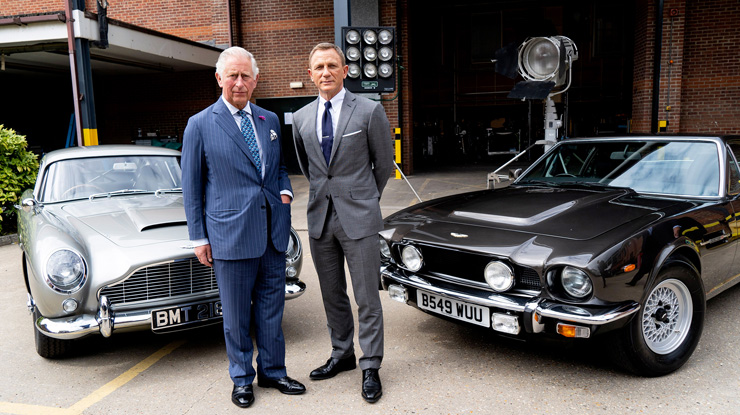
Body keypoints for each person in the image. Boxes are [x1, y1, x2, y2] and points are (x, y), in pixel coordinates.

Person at [181, 46, 305, 409]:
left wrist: (284, 194)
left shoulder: (268, 119)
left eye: (245, 75)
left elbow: (279, 168)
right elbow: (191, 186)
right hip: (229, 236)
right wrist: (198, 237)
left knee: (271, 307)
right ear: (219, 78)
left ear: (255, 80)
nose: (239, 82)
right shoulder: (200, 124)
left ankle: (273, 371)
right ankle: (241, 379)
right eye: (232, 75)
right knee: (236, 315)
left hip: (272, 232)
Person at [292, 42, 394, 403]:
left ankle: (371, 365)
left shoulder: (368, 111)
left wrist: (364, 199)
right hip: (320, 218)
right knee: (332, 293)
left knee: (367, 296)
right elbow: (310, 169)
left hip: (359, 217)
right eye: (318, 67)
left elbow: (383, 166)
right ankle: (342, 354)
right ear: (310, 75)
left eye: (332, 65)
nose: (325, 72)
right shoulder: (302, 117)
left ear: (344, 70)